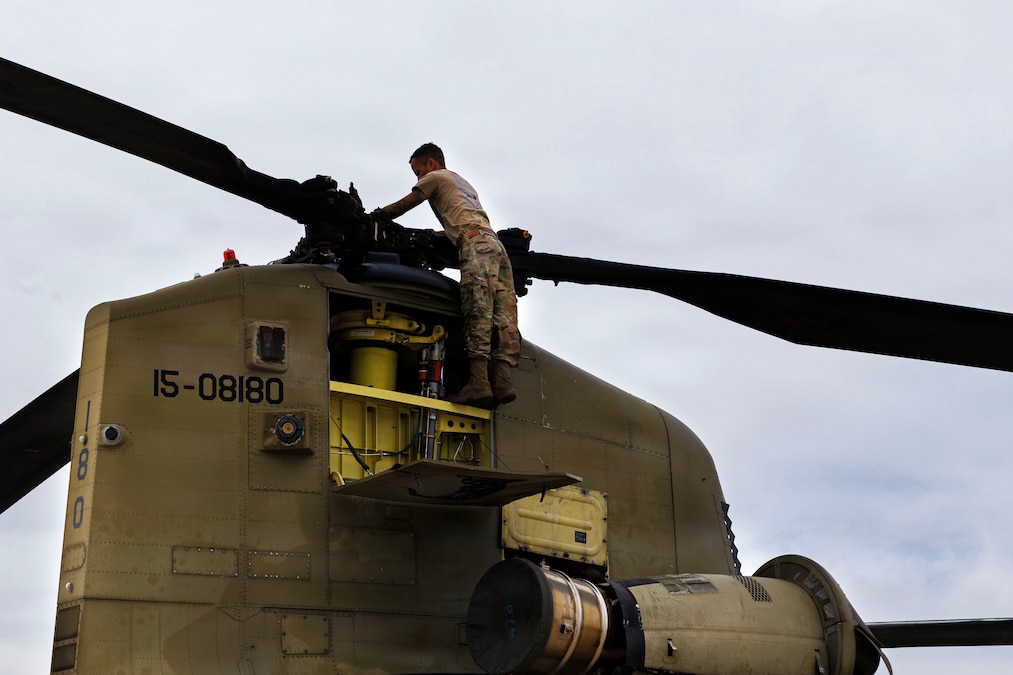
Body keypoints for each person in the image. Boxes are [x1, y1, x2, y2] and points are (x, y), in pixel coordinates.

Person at [374, 143, 520, 406]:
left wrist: (376, 216)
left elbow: (407, 203)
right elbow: (463, 218)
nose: (419, 178)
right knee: (504, 316)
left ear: (431, 163)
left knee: (478, 308)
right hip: (496, 247)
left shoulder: (436, 177)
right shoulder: (462, 183)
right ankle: (502, 381)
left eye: (418, 171)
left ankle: (478, 383)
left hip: (475, 246)